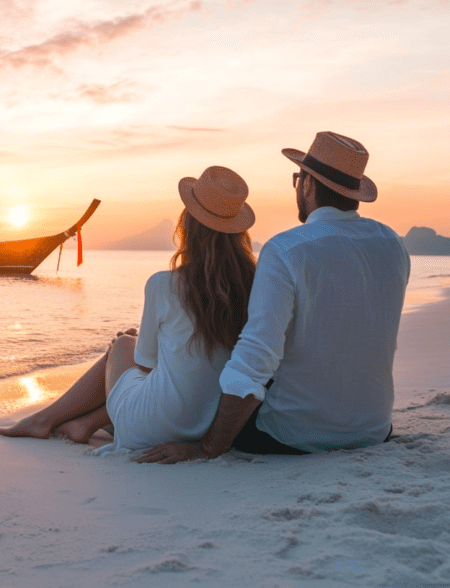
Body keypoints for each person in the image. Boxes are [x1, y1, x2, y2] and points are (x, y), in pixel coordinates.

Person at [138, 131, 411, 463]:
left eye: (297, 179)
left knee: (229, 389)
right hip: (373, 429)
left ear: (307, 185)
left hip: (294, 436)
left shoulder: (287, 250)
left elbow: (256, 358)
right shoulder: (392, 245)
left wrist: (209, 446)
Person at [0, 166, 256, 451]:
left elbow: (146, 364)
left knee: (121, 344)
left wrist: (129, 344)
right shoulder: (255, 287)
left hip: (158, 426)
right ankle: (83, 424)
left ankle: (43, 420)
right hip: (209, 424)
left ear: (189, 227)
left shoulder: (164, 284)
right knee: (143, 360)